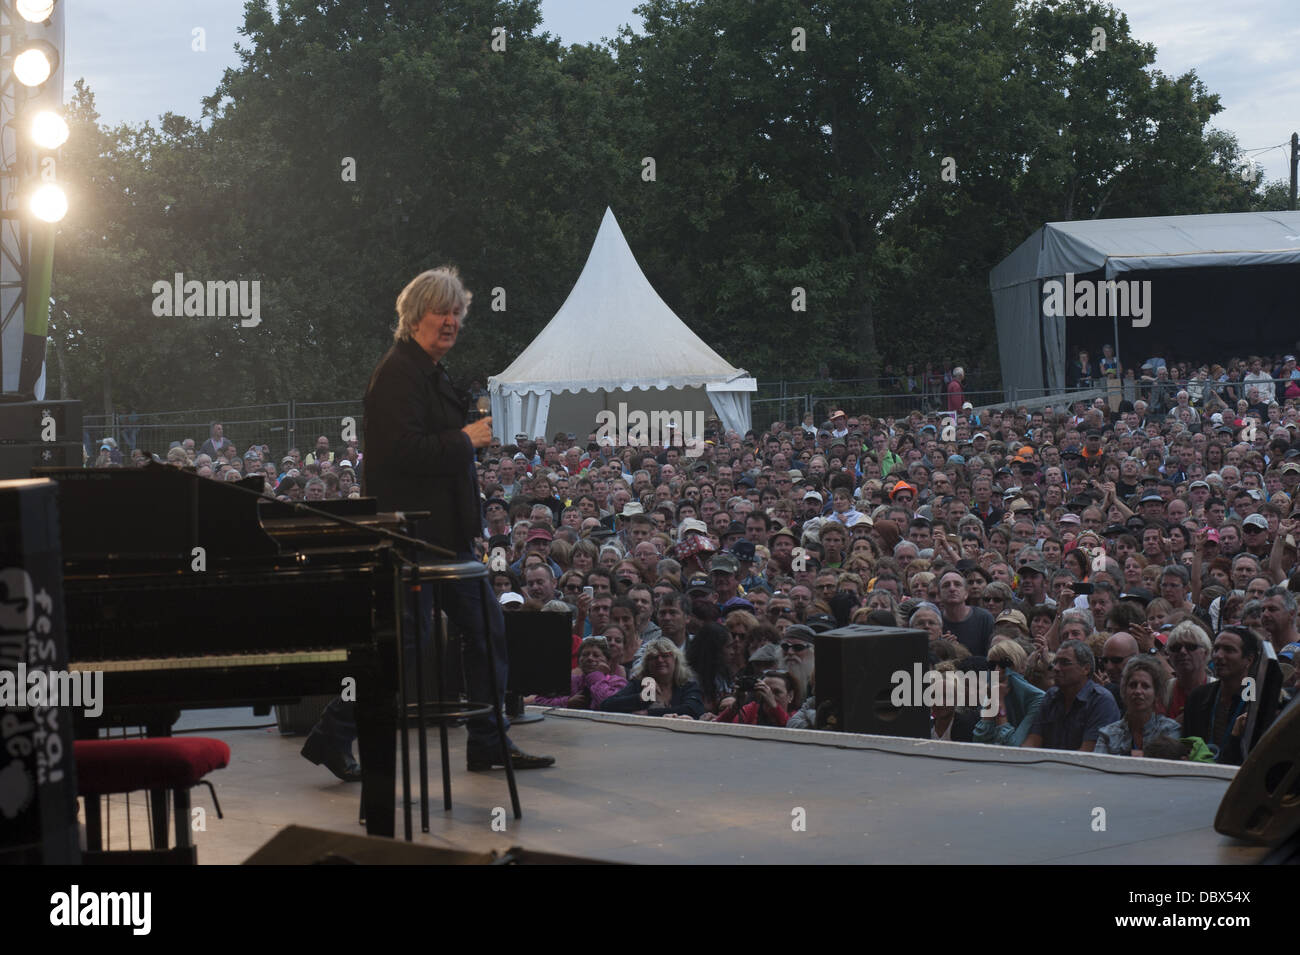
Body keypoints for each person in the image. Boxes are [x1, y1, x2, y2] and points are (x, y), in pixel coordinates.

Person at [301, 267, 553, 781]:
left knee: (483, 633)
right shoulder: (397, 374)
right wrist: (467, 439)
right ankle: (334, 733)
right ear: (415, 315)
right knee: (403, 646)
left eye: (458, 312)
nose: (452, 321)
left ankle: (487, 740)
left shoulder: (431, 373)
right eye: (442, 310)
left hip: (447, 536)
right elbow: (399, 452)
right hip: (411, 537)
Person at [1022, 639, 1120, 751]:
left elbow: (1087, 755)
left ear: (1086, 669)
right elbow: (1032, 742)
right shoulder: (1051, 696)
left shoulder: (1101, 700)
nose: (1056, 668)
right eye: (1056, 662)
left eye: (1065, 663)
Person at [599, 637, 706, 718]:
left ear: (676, 660)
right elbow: (606, 706)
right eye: (653, 657)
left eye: (665, 655)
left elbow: (694, 710)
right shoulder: (638, 684)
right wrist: (640, 698)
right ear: (647, 664)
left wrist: (648, 713)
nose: (659, 660)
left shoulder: (687, 686)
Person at [1095, 656, 1182, 756]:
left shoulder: (1169, 730)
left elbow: (1168, 767)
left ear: (1156, 693)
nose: (1138, 691)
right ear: (1124, 691)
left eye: (1145, 686)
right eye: (1133, 685)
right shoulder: (1108, 734)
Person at [525, 636, 627, 710]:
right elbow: (540, 700)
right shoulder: (571, 680)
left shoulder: (618, 682)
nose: (590, 658)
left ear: (608, 661)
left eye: (596, 655)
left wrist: (596, 677)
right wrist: (567, 702)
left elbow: (608, 703)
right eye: (585, 654)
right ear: (579, 660)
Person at [713, 670, 795, 726]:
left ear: (790, 696)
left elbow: (793, 730)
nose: (768, 695)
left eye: (777, 692)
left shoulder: (797, 716)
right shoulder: (752, 710)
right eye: (764, 690)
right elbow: (718, 726)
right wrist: (736, 705)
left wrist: (774, 706)